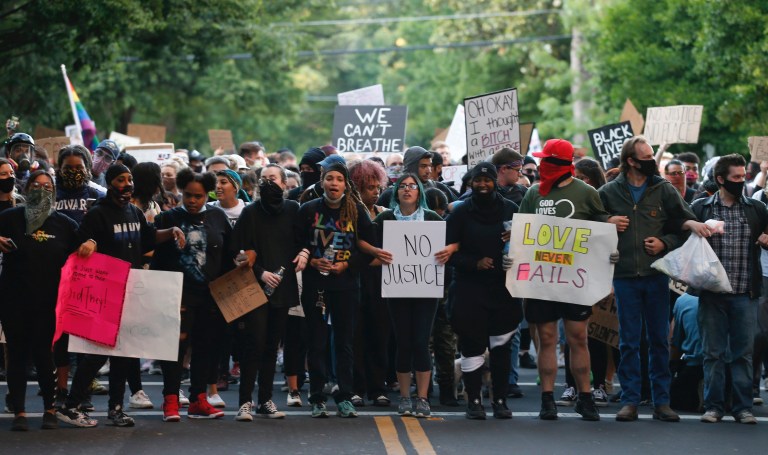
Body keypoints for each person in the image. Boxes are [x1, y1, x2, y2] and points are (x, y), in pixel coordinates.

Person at [56, 163, 185, 428]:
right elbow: (78, 245)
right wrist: (88, 244)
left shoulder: (135, 213)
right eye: (120, 180)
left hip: (131, 290)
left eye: (129, 179)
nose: (126, 185)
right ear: (110, 183)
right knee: (97, 353)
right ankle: (71, 405)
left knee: (124, 354)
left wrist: (171, 232)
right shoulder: (97, 214)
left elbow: (149, 239)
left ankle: (116, 409)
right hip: (104, 294)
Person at [598, 136, 706, 422]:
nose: (652, 162)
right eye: (646, 157)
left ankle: (662, 401)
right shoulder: (609, 191)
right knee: (629, 341)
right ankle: (631, 400)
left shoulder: (663, 188)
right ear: (631, 161)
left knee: (659, 339)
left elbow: (684, 223)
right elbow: (587, 226)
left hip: (657, 275)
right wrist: (607, 222)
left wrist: (664, 243)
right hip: (623, 276)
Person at [517, 139, 617, 422]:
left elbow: (601, 229)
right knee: (547, 338)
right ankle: (547, 398)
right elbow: (522, 232)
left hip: (575, 279)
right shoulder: (534, 193)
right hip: (542, 278)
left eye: (546, 161)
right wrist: (512, 258)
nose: (541, 167)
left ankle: (585, 397)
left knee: (578, 338)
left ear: (560, 164)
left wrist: (610, 252)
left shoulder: (586, 193)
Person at [690, 153, 768, 424]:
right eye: (736, 177)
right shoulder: (702, 207)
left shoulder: (756, 209)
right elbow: (681, 231)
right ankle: (714, 406)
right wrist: (692, 225)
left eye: (744, 175)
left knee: (743, 354)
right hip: (712, 294)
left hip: (745, 294)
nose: (742, 180)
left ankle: (742, 407)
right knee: (713, 353)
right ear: (721, 180)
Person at [0, 171, 79, 431]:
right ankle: (20, 412)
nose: (42, 190)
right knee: (18, 355)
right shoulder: (9, 218)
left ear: (54, 192)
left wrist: (90, 242)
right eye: (36, 185)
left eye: (48, 186)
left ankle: (50, 409)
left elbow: (87, 247)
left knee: (46, 356)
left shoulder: (65, 224)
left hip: (50, 303)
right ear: (27, 187)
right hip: (14, 300)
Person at [151, 168, 231, 421]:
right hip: (176, 296)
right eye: (188, 195)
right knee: (174, 349)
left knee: (206, 348)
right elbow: (155, 256)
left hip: (210, 296)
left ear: (207, 194)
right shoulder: (167, 218)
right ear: (181, 192)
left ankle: (198, 399)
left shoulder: (218, 217)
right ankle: (170, 400)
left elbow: (229, 254)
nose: (193, 201)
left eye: (198, 196)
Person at [370, 174, 452, 418]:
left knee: (420, 341)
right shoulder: (385, 218)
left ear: (419, 192)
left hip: (426, 290)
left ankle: (423, 398)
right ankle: (405, 397)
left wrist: (447, 253)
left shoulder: (432, 218)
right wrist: (379, 257)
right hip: (397, 288)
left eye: (412, 186)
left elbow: (446, 250)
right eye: (402, 186)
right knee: (403, 341)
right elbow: (371, 254)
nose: (407, 190)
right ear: (396, 192)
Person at [296, 161, 374, 418]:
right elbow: (296, 244)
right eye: (329, 179)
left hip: (346, 284)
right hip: (316, 284)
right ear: (322, 182)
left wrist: (347, 265)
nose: (334, 184)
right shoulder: (308, 210)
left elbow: (367, 250)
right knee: (316, 341)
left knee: (344, 342)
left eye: (339, 179)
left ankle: (345, 396)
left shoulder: (356, 211)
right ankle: (317, 397)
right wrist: (312, 261)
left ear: (345, 184)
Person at [230, 164, 305, 420]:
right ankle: (245, 402)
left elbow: (303, 241)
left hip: (282, 287)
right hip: (255, 286)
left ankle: (265, 400)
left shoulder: (293, 210)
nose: (268, 183)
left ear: (284, 183)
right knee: (254, 344)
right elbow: (238, 250)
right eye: (263, 179)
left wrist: (304, 254)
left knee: (272, 346)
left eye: (273, 179)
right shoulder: (250, 212)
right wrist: (260, 272)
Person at [447, 164, 522, 420]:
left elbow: (525, 246)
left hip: (503, 290)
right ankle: (474, 401)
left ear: (495, 182)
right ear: (470, 183)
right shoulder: (459, 213)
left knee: (501, 347)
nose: (482, 185)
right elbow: (447, 253)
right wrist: (474, 262)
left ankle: (500, 400)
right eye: (477, 180)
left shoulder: (511, 210)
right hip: (469, 289)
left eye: (487, 180)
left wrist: (515, 255)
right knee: (472, 346)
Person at [347, 160, 391, 406]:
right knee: (356, 336)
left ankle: (378, 387)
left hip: (381, 286)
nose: (375, 191)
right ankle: (357, 387)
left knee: (380, 336)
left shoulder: (385, 213)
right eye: (369, 187)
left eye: (377, 186)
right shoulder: (348, 214)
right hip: (355, 282)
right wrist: (372, 260)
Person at [378, 147, 457, 207]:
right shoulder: (390, 194)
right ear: (411, 167)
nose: (428, 171)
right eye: (423, 166)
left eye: (430, 166)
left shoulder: (440, 189)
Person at [54, 145, 105, 224]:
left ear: (86, 170)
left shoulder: (98, 196)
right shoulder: (50, 195)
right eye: (68, 168)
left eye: (79, 167)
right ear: (60, 170)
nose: (74, 171)